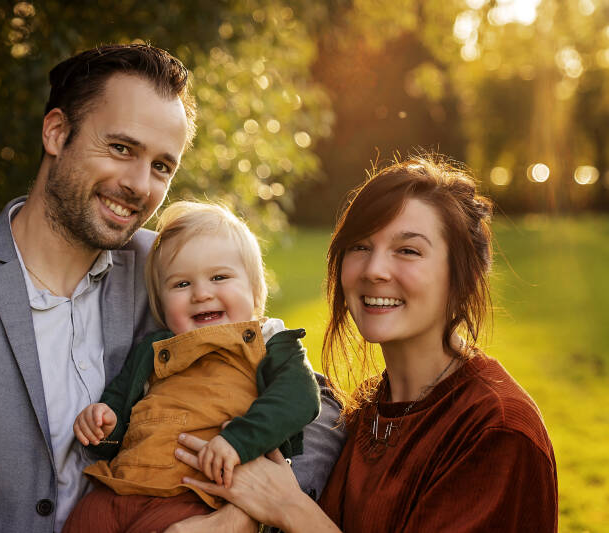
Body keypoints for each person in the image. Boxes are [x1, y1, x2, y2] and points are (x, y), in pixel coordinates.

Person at [0, 44, 345, 533]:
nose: (139, 184)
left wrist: (239, 519)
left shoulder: (174, 272)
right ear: (55, 132)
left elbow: (318, 405)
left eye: (162, 166)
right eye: (120, 147)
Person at [171, 155, 558, 532]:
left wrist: (291, 509)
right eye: (359, 246)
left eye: (408, 250)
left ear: (463, 277)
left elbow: (287, 504)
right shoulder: (367, 409)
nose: (374, 270)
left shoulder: (497, 432)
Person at [64, 201, 321, 533]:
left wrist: (238, 441)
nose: (201, 294)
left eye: (219, 277)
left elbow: (299, 398)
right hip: (119, 488)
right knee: (83, 520)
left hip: (194, 498)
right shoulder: (153, 350)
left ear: (255, 291)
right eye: (181, 284)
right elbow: (119, 403)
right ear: (160, 304)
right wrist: (104, 422)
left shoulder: (270, 340)